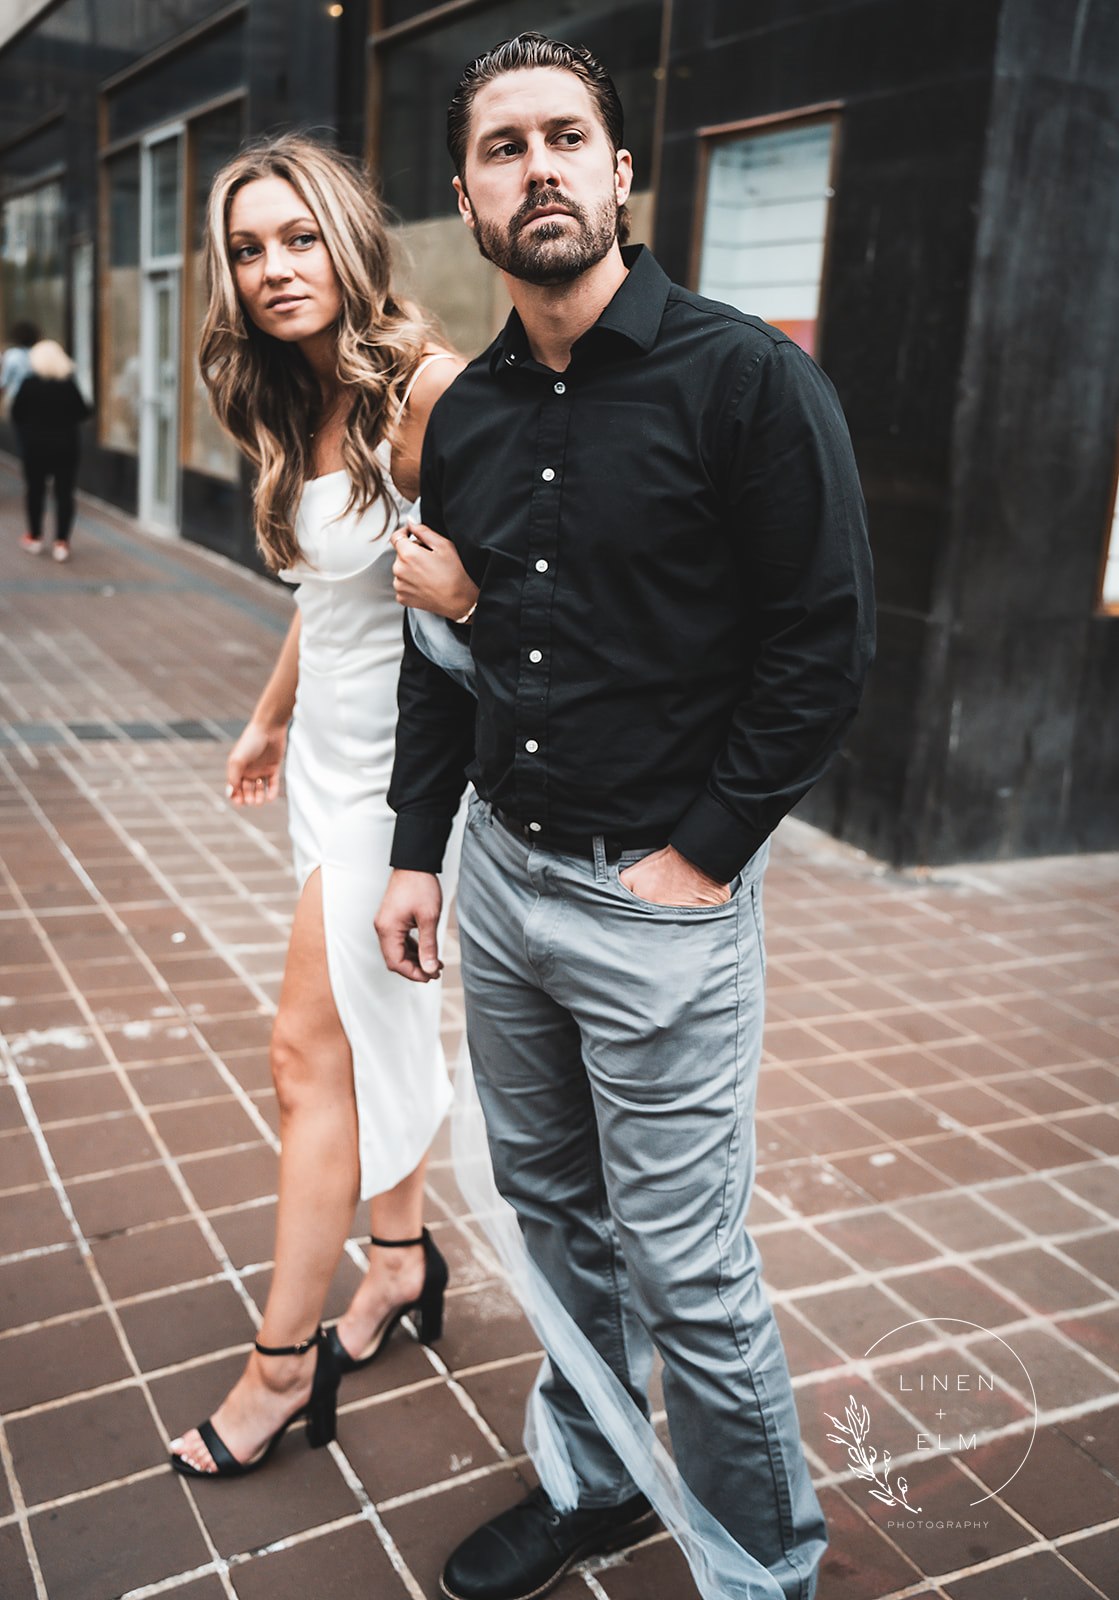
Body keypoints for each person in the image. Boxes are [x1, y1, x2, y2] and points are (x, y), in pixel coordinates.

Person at [377, 32, 875, 1600]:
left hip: (657, 903)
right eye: (502, 147)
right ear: (461, 195)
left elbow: (824, 650)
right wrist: (414, 849)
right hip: (505, 882)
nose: (536, 168)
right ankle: (594, 1480)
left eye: (563, 138)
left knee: (688, 1268)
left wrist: (699, 858)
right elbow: (446, 653)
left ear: (617, 169)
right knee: (547, 1218)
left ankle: (759, 1568)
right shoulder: (464, 418)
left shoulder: (743, 381)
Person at [168, 134, 479, 1479]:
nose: (273, 267)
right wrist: (270, 711)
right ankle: (398, 1262)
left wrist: (467, 603)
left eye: (298, 237)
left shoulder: (424, 390)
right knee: (372, 1031)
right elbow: (330, 590)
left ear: (349, 242)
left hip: (404, 783)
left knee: (307, 1056)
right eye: (248, 248)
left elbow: (498, 599)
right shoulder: (291, 394)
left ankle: (279, 1366)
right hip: (326, 762)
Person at [11, 337, 91, 562]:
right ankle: (62, 542)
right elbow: (83, 412)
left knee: (35, 491)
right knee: (64, 493)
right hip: (66, 447)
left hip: (35, 447)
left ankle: (35, 537)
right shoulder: (68, 384)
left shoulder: (29, 383)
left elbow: (16, 413)